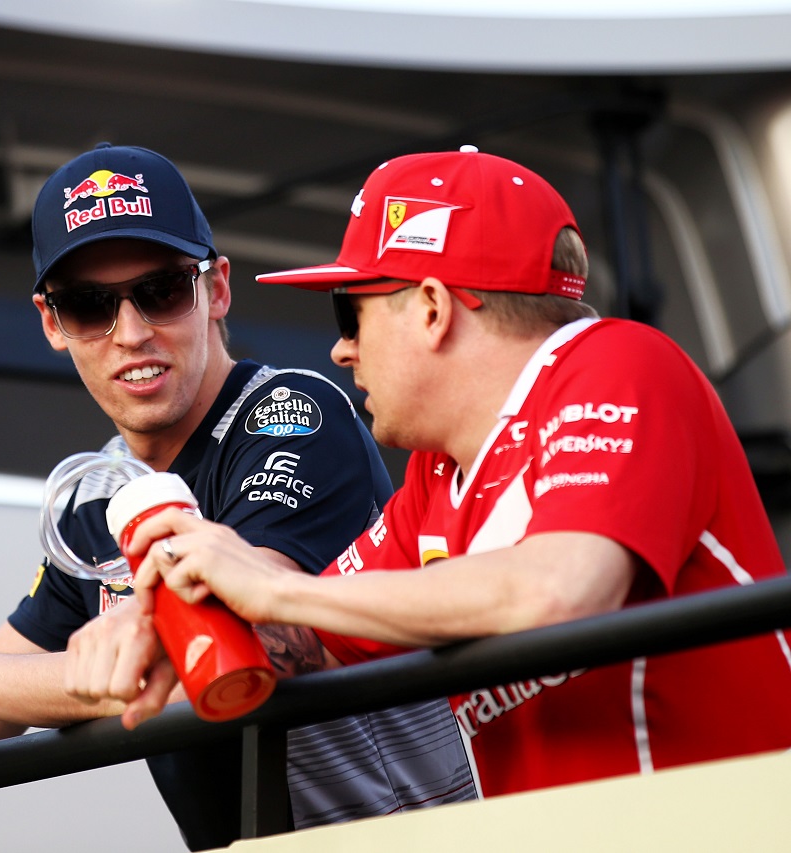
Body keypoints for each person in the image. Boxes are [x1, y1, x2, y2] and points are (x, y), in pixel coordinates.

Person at [0, 143, 475, 849]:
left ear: (217, 289)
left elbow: (223, 649)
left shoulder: (292, 413)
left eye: (161, 291)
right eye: (90, 306)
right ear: (51, 323)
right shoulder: (98, 493)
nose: (131, 333)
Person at [64, 145, 791, 798]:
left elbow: (560, 588)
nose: (341, 351)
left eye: (350, 314)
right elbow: (308, 639)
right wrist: (154, 624)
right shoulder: (436, 480)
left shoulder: (619, 359)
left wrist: (273, 584)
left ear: (434, 308)